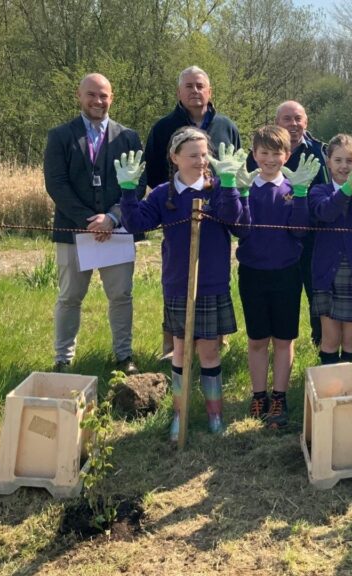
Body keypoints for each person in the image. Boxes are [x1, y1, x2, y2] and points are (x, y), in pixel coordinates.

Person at [117, 128, 246, 441]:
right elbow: (136, 223)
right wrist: (128, 190)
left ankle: (214, 414)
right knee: (180, 352)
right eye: (193, 155)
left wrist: (229, 185)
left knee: (210, 352)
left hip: (212, 283)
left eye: (205, 154)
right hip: (178, 284)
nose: (201, 161)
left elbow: (238, 223)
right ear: (175, 158)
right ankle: (179, 413)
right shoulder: (164, 194)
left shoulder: (216, 189)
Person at [43, 72, 143, 375]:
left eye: (104, 95)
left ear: (112, 98)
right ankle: (63, 359)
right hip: (74, 231)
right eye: (92, 94)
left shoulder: (128, 137)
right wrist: (89, 221)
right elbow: (56, 184)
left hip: (118, 230)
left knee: (121, 296)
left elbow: (138, 184)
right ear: (79, 95)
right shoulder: (60, 136)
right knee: (70, 297)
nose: (98, 101)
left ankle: (124, 356)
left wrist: (112, 217)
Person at [143, 65, 242, 358]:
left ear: (209, 91)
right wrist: (174, 199)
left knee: (214, 276)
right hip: (177, 212)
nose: (195, 91)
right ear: (179, 92)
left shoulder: (227, 126)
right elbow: (154, 172)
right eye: (188, 86)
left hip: (215, 213)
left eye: (200, 86)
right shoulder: (163, 127)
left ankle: (215, 344)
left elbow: (236, 166)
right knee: (176, 277)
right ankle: (173, 346)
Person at [233, 125, 318, 430]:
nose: (270, 159)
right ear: (254, 154)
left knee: (284, 339)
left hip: (286, 273)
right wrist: (238, 193)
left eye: (276, 153)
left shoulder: (293, 188)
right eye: (263, 153)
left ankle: (279, 396)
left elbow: (299, 230)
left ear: (288, 154)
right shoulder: (247, 186)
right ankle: (259, 395)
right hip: (253, 272)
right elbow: (239, 229)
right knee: (257, 339)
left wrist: (301, 196)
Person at [245, 100, 329, 347]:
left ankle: (320, 338)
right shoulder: (261, 151)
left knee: (315, 287)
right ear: (276, 122)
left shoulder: (319, 151)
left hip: (312, 233)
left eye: (298, 118)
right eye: (287, 119)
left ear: (306, 122)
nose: (293, 124)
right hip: (274, 238)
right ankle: (274, 339)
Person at [309, 134, 352, 365]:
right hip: (327, 273)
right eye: (338, 160)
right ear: (328, 162)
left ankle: (350, 390)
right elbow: (326, 212)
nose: (344, 166)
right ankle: (330, 390)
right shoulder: (319, 190)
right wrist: (347, 188)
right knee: (330, 338)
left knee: (351, 338)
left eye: (350, 161)